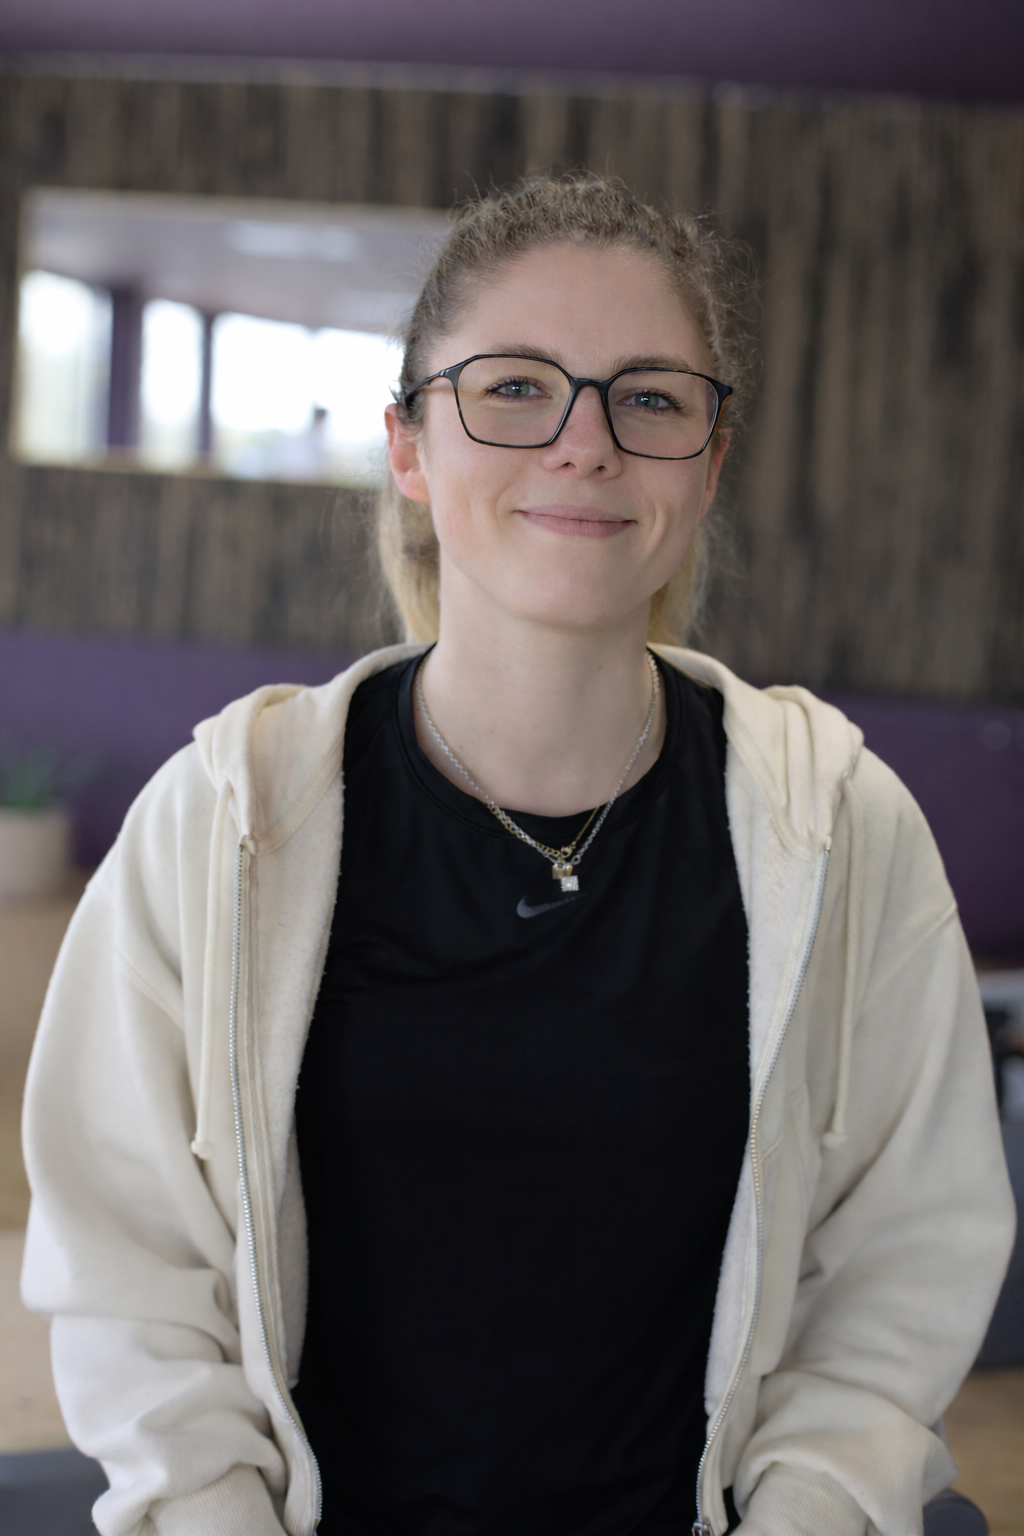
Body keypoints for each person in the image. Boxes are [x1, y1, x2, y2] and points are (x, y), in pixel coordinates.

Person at [22, 174, 1013, 1536]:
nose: (584, 444)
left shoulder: (840, 828)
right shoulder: (224, 818)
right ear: (411, 449)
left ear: (710, 462)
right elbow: (131, 1279)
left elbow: (897, 1275)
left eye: (650, 397)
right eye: (513, 388)